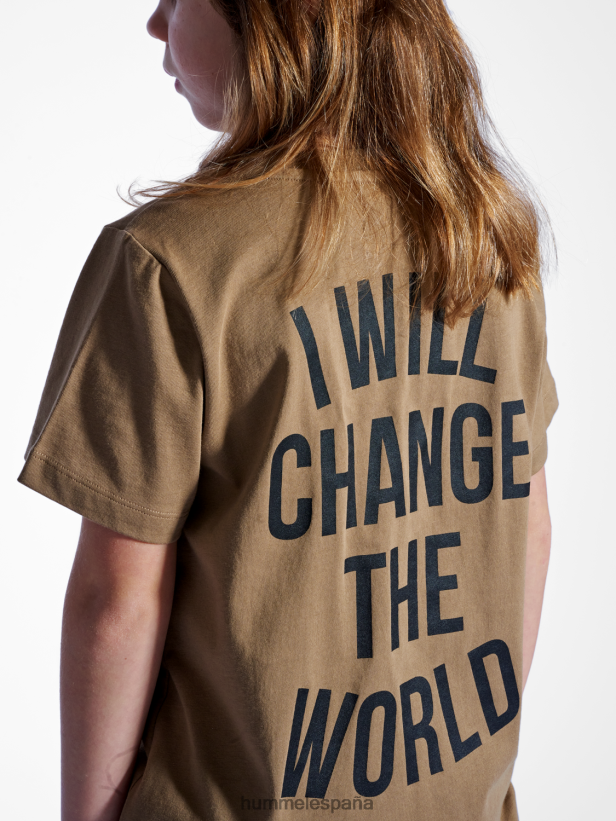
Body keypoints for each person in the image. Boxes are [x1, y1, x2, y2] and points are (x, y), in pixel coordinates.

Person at [17, 0, 557, 819]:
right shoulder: (484, 230)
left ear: (270, 19)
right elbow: (528, 525)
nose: (157, 21)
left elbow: (116, 601)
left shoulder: (168, 259)